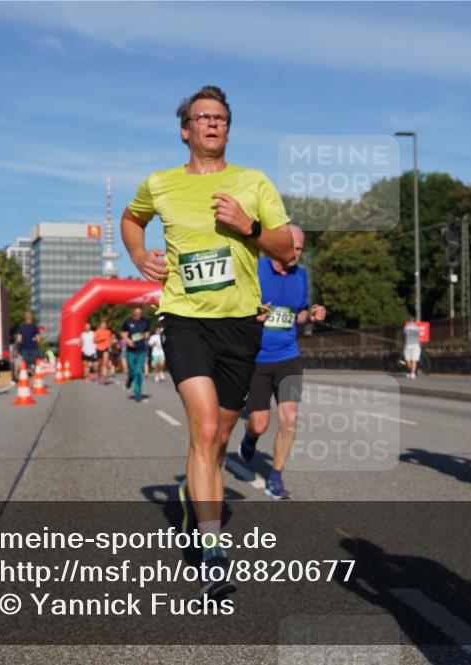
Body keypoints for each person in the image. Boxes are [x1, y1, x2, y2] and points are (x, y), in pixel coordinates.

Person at [121, 85, 293, 598]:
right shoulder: (160, 183)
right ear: (185, 129)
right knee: (201, 428)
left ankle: (190, 489)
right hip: (183, 317)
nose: (213, 124)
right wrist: (138, 254)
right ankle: (214, 550)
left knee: (218, 438)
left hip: (241, 322)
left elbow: (285, 246)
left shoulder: (253, 181)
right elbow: (132, 220)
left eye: (221, 118)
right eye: (203, 117)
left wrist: (250, 225)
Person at [222, 224, 326, 500]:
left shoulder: (301, 276)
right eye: (292, 246)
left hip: (289, 357)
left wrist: (311, 315)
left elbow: (298, 313)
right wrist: (253, 314)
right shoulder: (256, 270)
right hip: (257, 358)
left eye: (300, 248)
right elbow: (235, 307)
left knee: (289, 419)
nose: (296, 253)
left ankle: (276, 476)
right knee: (258, 424)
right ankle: (249, 439)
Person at [121, 307, 151, 401]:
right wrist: (128, 340)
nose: (138, 315)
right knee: (132, 371)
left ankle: (137, 392)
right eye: (136, 313)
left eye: (140, 313)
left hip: (142, 350)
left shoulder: (145, 321)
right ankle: (130, 379)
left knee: (138, 372)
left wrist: (144, 335)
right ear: (133, 313)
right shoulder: (128, 322)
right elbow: (122, 332)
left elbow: (147, 332)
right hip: (131, 351)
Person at [93, 320, 113, 385]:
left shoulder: (108, 332)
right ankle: (99, 374)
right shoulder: (96, 332)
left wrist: (110, 344)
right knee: (99, 364)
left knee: (105, 363)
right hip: (99, 349)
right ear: (100, 325)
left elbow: (110, 339)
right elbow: (94, 341)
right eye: (102, 325)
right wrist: (100, 339)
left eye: (105, 325)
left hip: (106, 348)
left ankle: (104, 378)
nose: (104, 326)